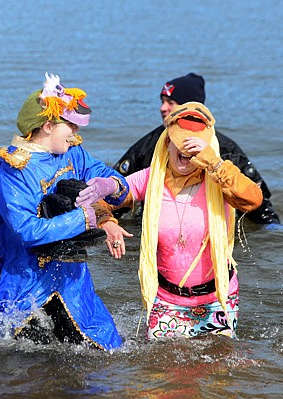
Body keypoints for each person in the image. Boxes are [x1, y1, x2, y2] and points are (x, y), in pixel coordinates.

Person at [0, 73, 130, 351]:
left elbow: (119, 186)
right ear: (46, 126)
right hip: (24, 280)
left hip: (72, 277)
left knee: (109, 354)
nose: (75, 131)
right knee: (15, 367)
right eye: (68, 124)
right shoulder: (12, 170)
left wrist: (109, 184)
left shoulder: (73, 153)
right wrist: (81, 218)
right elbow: (28, 231)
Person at [95, 102, 262, 339]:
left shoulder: (219, 179)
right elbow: (99, 199)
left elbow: (253, 200)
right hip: (165, 299)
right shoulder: (150, 179)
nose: (186, 150)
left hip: (217, 299)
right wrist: (107, 222)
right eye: (180, 142)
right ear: (166, 143)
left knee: (219, 371)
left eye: (194, 145)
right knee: (161, 371)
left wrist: (214, 163)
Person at [113, 73, 279, 225]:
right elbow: (116, 191)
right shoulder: (148, 145)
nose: (163, 108)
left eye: (170, 103)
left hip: (209, 225)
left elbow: (260, 206)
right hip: (156, 225)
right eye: (162, 102)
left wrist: (272, 235)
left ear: (190, 109)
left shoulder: (226, 149)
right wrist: (108, 223)